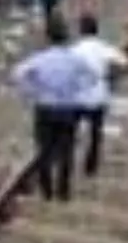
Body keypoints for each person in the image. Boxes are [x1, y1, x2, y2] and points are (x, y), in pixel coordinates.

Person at [13, 17, 96, 202]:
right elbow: (92, 78)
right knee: (67, 149)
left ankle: (47, 191)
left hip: (44, 107)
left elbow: (18, 73)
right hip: (67, 109)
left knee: (44, 150)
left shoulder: (40, 58)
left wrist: (32, 91)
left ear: (48, 37)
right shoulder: (74, 59)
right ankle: (63, 191)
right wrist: (76, 90)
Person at [71, 14, 128, 177]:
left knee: (71, 129)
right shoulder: (103, 48)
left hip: (78, 97)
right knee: (95, 133)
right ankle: (91, 166)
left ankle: (68, 158)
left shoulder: (74, 50)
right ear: (96, 30)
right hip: (99, 96)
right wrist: (112, 77)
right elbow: (124, 62)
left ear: (81, 31)